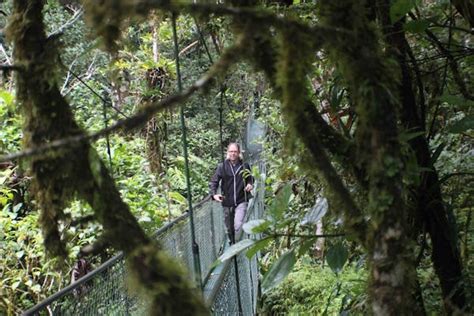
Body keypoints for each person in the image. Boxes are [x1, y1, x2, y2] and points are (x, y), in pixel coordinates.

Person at [209, 143, 253, 242]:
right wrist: (214, 194)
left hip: (241, 200)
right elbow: (214, 181)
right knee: (229, 228)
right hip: (227, 202)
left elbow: (250, 178)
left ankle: (237, 246)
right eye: (231, 151)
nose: (233, 154)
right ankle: (232, 243)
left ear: (239, 153)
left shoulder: (244, 166)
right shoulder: (222, 167)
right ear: (228, 153)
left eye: (235, 152)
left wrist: (250, 184)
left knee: (238, 225)